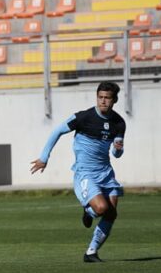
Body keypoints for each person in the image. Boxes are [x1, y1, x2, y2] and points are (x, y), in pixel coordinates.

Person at [30, 81, 126, 263]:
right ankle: (88, 211)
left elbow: (117, 153)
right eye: (100, 97)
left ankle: (91, 252)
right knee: (101, 209)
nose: (103, 101)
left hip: (106, 173)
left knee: (111, 213)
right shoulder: (83, 117)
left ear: (115, 100)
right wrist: (44, 158)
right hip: (86, 173)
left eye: (107, 98)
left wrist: (118, 149)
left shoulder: (119, 123)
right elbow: (57, 131)